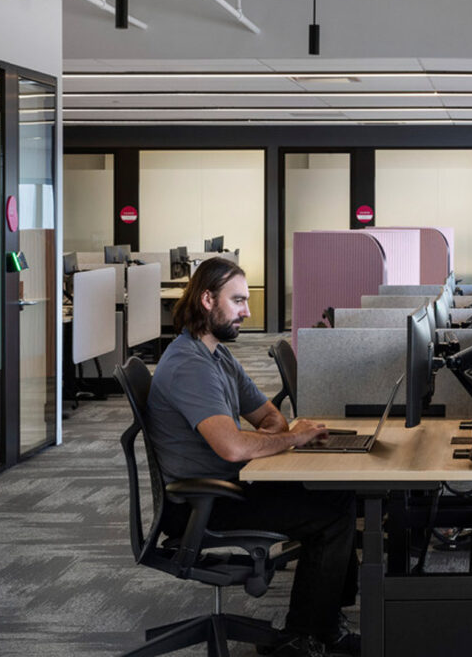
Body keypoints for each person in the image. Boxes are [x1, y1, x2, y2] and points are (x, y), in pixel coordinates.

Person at [149, 257, 358, 657]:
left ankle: (325, 623)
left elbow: (269, 416)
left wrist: (267, 439)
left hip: (230, 483)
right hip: (201, 503)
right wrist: (289, 440)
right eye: (238, 301)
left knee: (336, 494)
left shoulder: (216, 355)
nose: (247, 311)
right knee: (332, 512)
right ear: (207, 300)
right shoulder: (189, 366)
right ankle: (305, 635)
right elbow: (233, 447)